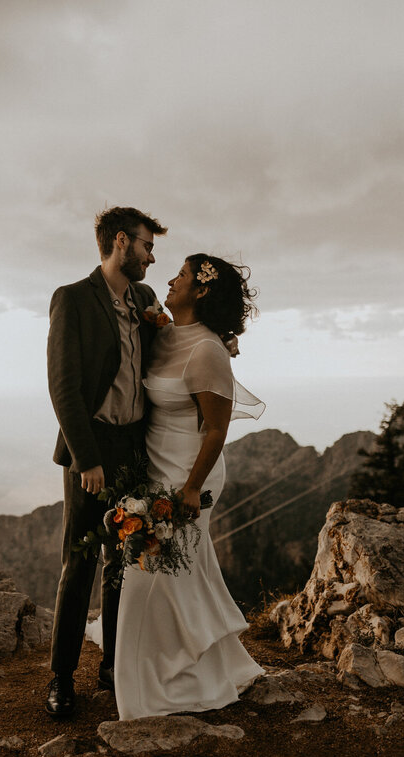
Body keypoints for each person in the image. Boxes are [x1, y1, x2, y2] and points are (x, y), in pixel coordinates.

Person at [114, 254, 265, 720]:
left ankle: (150, 694)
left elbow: (217, 431)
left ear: (201, 290)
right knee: (179, 579)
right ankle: (198, 671)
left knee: (148, 580)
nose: (171, 280)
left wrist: (191, 489)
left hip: (188, 475)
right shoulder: (165, 333)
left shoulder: (207, 352)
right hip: (154, 466)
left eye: (180, 275)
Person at [45, 206, 167, 718]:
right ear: (121, 242)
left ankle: (113, 667)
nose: (152, 257)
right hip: (91, 451)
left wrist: (221, 339)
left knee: (121, 563)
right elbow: (63, 388)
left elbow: (168, 346)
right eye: (146, 245)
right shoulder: (72, 299)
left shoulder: (143, 298)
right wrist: (85, 459)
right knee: (81, 562)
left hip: (133, 450)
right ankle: (61, 678)